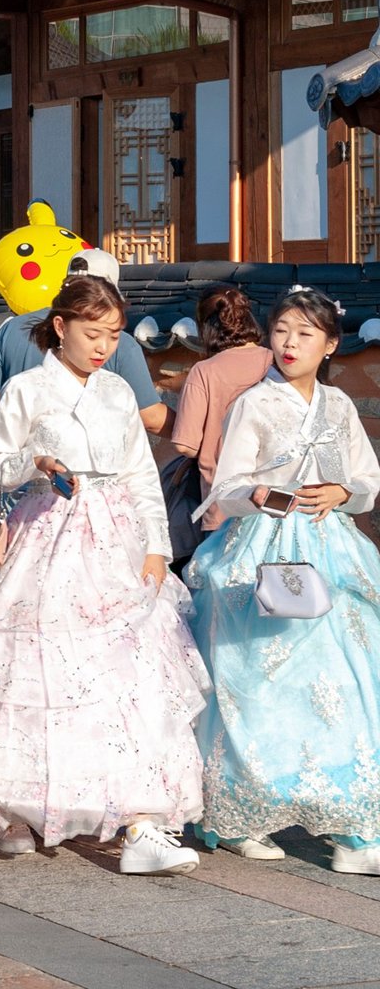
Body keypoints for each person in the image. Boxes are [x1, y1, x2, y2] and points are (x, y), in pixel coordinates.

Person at [0, 274, 209, 874]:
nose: (103, 346)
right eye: (93, 333)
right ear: (60, 326)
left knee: (130, 673)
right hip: (47, 530)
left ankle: (139, 821)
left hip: (116, 537)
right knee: (32, 674)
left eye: (114, 335)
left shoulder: (117, 391)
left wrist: (156, 545)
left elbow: (140, 472)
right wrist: (33, 463)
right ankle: (11, 807)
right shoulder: (26, 388)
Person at [186, 286, 380, 872]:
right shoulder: (253, 403)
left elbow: (368, 478)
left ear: (331, 344)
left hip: (331, 549)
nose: (290, 343)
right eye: (281, 331)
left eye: (304, 333)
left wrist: (344, 491)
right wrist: (257, 495)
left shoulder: (339, 405)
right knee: (257, 679)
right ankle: (239, 816)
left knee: (344, 680)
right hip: (264, 548)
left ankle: (350, 826)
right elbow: (225, 485)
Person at [0, 249, 170, 488]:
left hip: (19, 481)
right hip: (77, 487)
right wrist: (197, 433)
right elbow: (150, 417)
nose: (103, 345)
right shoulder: (122, 344)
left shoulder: (11, 328)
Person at [165, 286, 273, 565]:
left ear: (206, 326)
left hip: (223, 501)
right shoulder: (276, 363)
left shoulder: (205, 371)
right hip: (274, 499)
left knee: (220, 582)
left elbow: (185, 445)